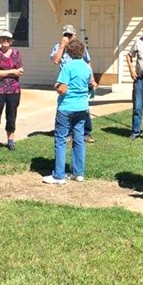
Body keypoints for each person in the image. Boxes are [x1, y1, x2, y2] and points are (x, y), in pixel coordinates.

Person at [43, 39, 93, 185]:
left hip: (66, 107)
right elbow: (89, 84)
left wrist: (57, 86)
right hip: (82, 107)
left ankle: (59, 175)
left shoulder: (67, 67)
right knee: (79, 139)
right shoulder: (86, 67)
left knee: (60, 139)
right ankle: (78, 173)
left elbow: (63, 89)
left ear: (69, 52)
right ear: (82, 52)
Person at [50, 24, 97, 143]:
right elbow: (55, 60)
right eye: (66, 35)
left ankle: (86, 133)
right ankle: (68, 133)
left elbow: (88, 62)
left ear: (75, 35)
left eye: (70, 35)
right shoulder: (58, 47)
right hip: (66, 82)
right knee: (66, 108)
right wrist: (62, 46)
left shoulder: (81, 48)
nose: (68, 37)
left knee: (83, 108)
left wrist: (92, 79)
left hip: (80, 81)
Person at [0, 30, 24, 152]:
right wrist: (12, 71)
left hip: (13, 90)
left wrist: (3, 72)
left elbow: (20, 70)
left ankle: (10, 141)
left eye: (7, 39)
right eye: (3, 38)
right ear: (0, 40)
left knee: (11, 115)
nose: (5, 41)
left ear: (11, 41)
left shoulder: (16, 53)